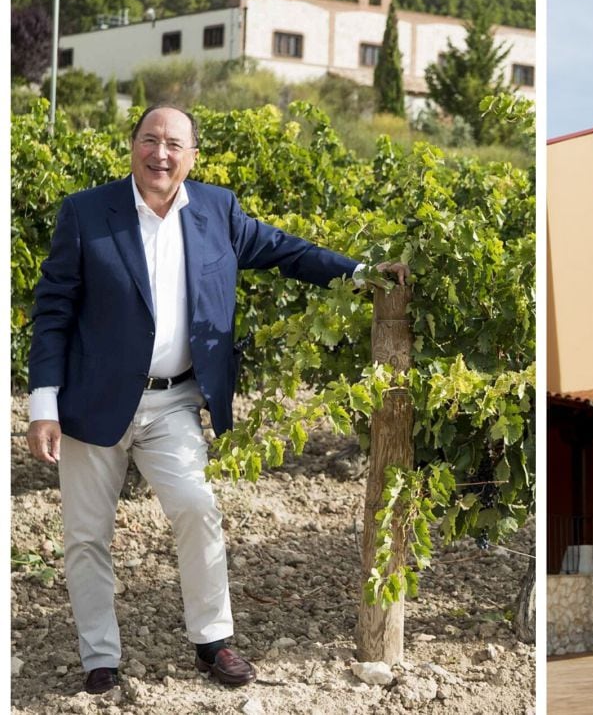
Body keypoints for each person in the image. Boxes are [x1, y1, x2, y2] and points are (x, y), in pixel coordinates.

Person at [26, 105, 407, 695]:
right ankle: (100, 657)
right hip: (92, 403)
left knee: (198, 509)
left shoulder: (216, 210)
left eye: (174, 143)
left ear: (192, 156)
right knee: (85, 536)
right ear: (132, 147)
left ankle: (213, 641)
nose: (161, 153)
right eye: (150, 140)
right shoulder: (85, 213)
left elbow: (285, 251)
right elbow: (51, 313)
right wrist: (43, 404)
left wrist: (360, 273)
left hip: (174, 402)